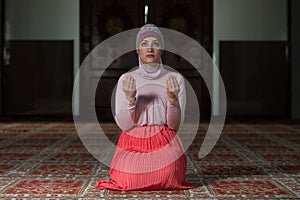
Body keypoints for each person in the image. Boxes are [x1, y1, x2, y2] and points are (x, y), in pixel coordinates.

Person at [95, 24, 194, 191]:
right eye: (144, 43)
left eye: (155, 44)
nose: (150, 48)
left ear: (161, 49)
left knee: (169, 172)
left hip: (165, 141)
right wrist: (130, 98)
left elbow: (175, 125)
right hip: (133, 140)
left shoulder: (175, 79)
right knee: (128, 176)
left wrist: (172, 100)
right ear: (137, 49)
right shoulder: (127, 79)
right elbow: (125, 125)